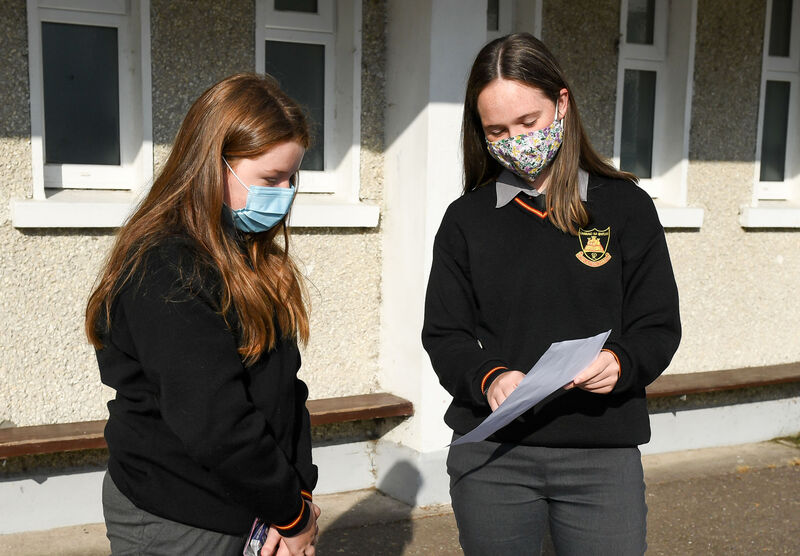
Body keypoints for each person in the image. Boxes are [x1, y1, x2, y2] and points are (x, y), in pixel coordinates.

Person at [422, 33, 681, 555]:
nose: (514, 140)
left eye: (527, 123)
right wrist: (489, 379)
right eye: (496, 130)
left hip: (601, 456)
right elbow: (445, 334)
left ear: (561, 104)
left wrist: (620, 362)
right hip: (494, 457)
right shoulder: (465, 220)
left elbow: (657, 325)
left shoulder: (625, 207)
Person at [85, 73, 320, 556]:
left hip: (259, 503)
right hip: (179, 514)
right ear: (213, 167)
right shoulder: (165, 267)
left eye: (292, 177)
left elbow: (285, 390)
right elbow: (216, 421)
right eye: (271, 179)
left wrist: (298, 495)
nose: (285, 193)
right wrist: (292, 516)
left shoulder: (250, 256)